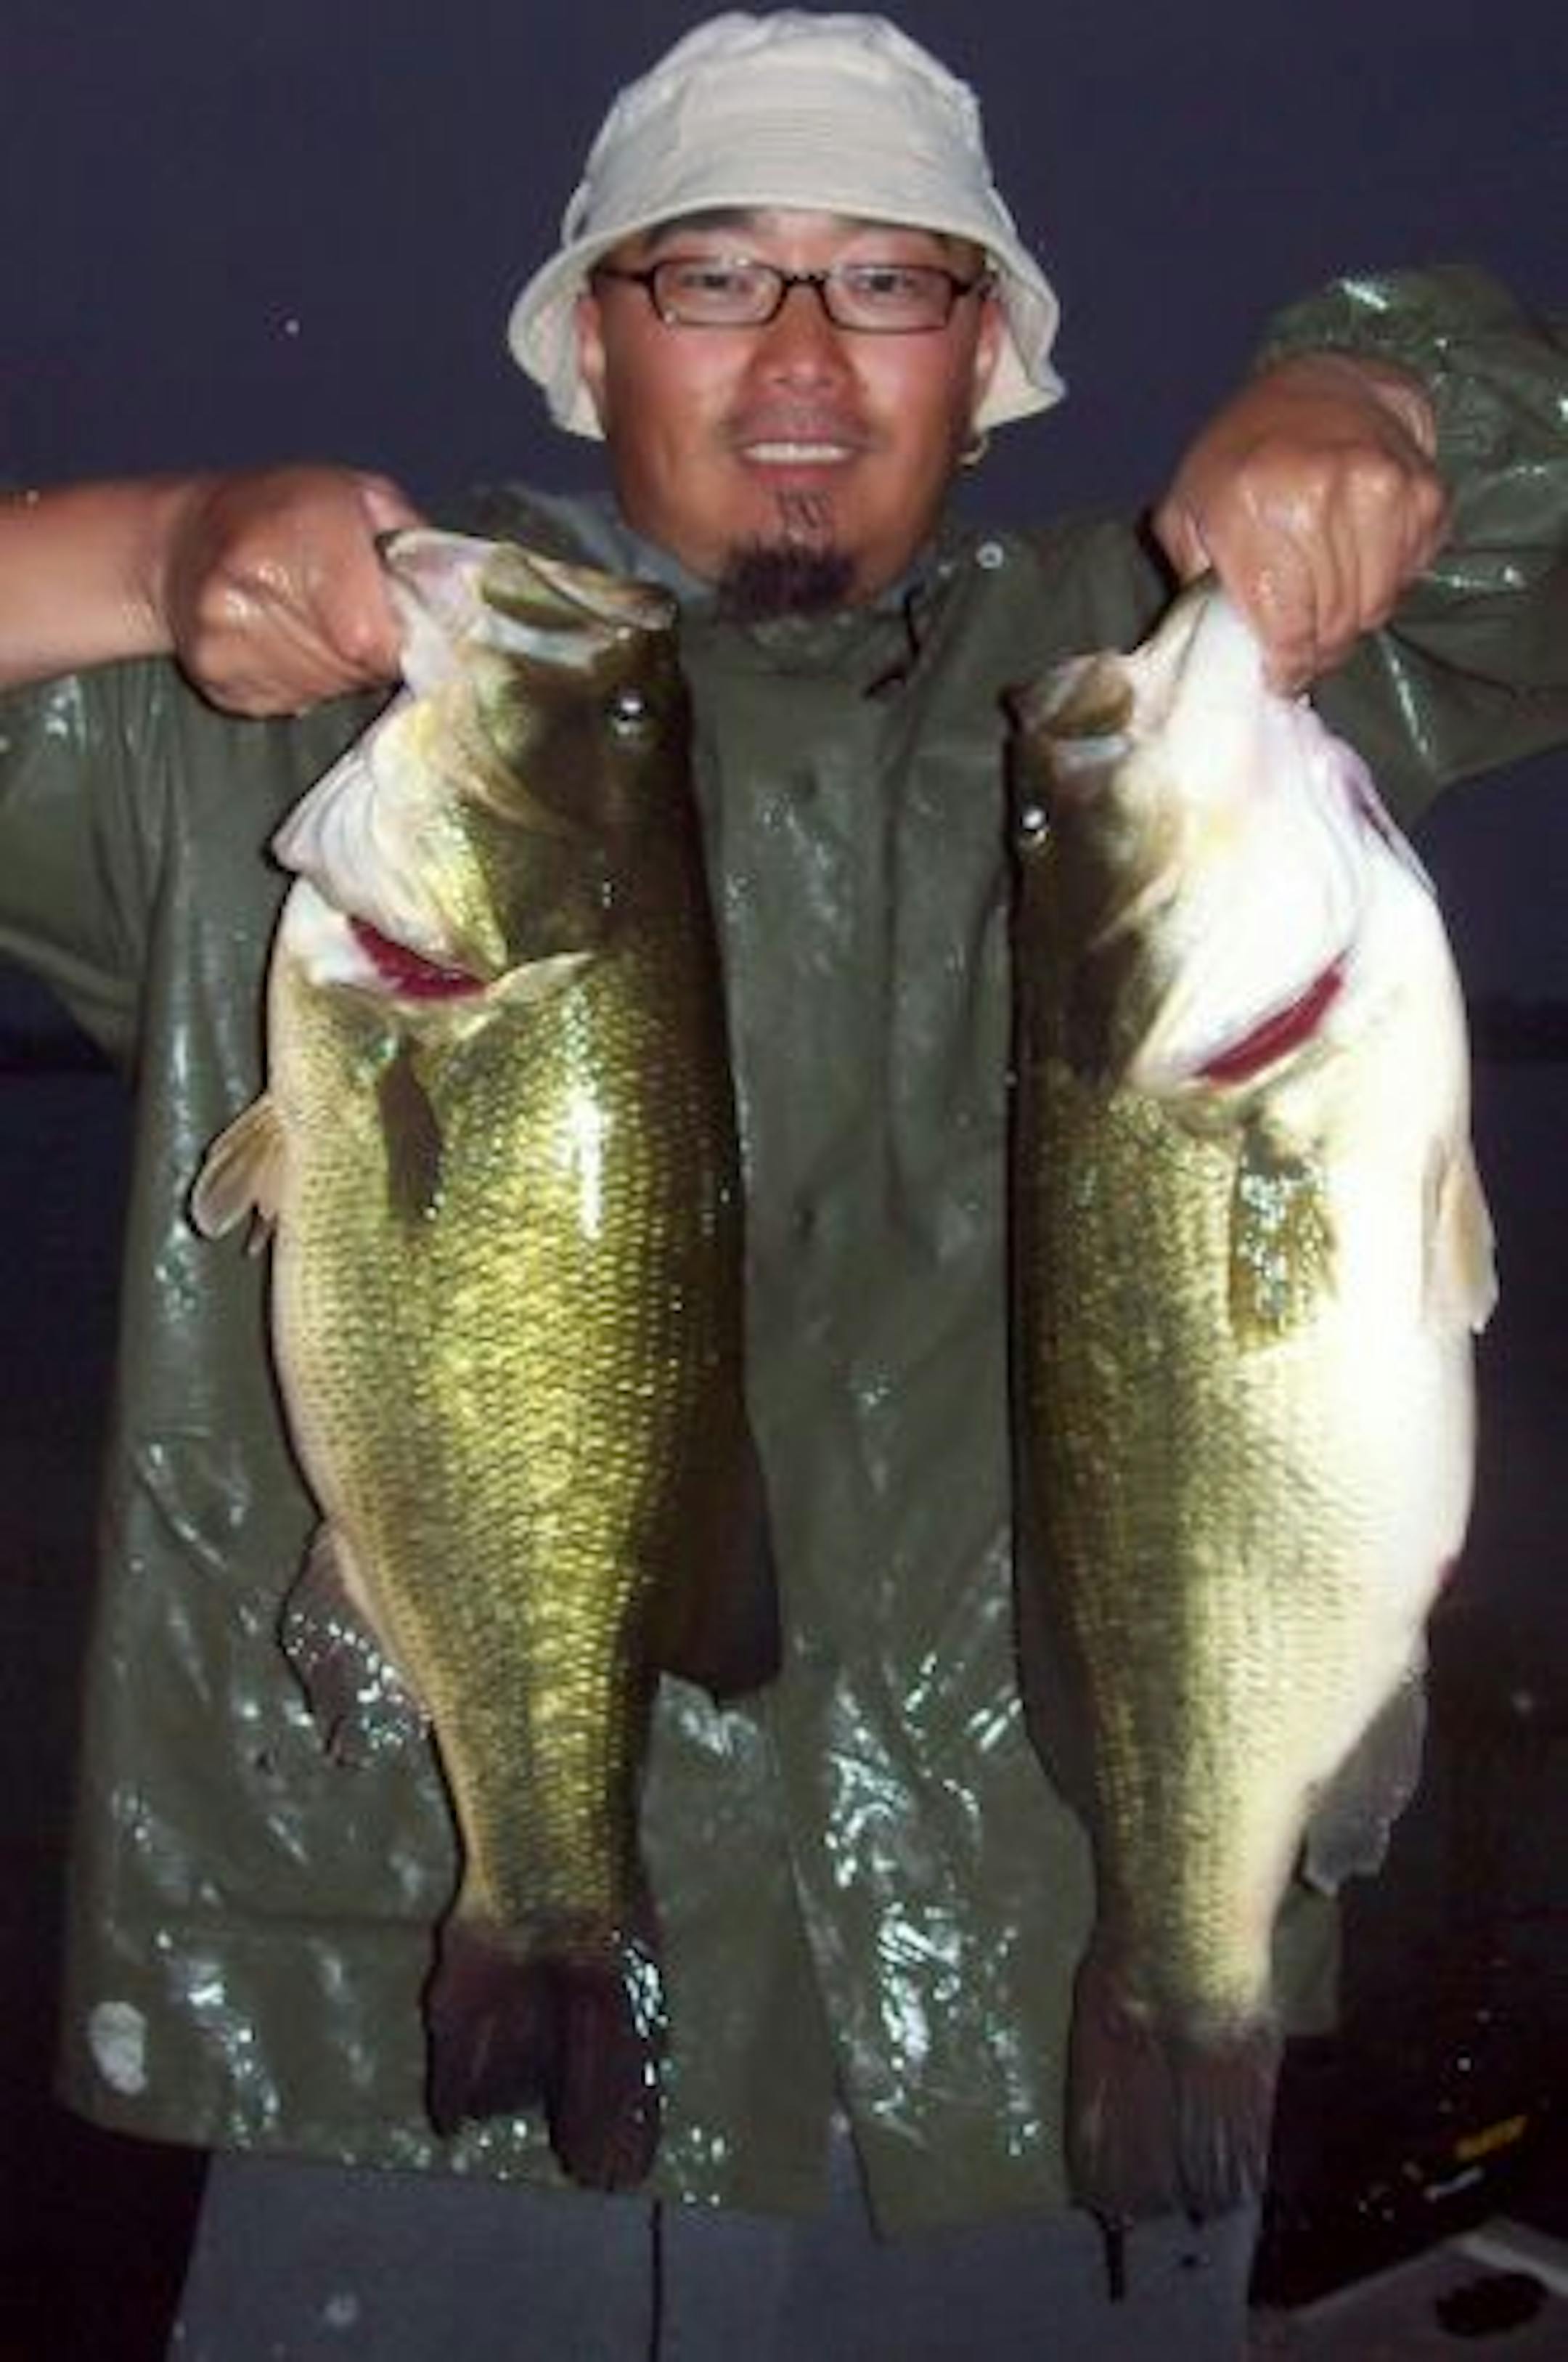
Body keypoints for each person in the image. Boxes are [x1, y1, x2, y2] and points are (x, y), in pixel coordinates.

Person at [3, 12, 1567, 2357]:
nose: (807, 358)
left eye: (892, 283)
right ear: (593, 337)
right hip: (390, 2029)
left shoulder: (1158, 721)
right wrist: (157, 546)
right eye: (718, 279)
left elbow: (1521, 531)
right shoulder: (322, 711)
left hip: (1047, 2024)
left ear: (988, 350)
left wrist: (1386, 404)